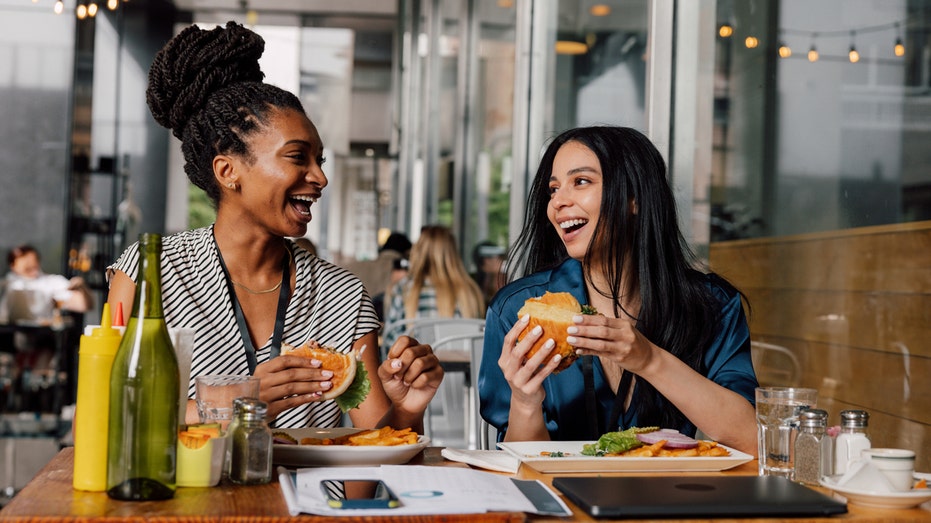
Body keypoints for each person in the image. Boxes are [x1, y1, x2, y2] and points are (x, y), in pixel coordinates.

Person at [107, 22, 443, 432]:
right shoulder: (151, 272)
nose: (319, 177)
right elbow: (113, 418)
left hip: (310, 496)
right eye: (298, 157)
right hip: (187, 495)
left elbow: (375, 448)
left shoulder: (343, 296)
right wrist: (239, 402)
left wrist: (408, 409)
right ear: (228, 171)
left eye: (320, 160)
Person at [478, 126, 758, 455]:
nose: (558, 202)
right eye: (553, 189)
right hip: (561, 502)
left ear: (634, 198)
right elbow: (518, 470)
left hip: (671, 498)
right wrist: (525, 402)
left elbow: (752, 440)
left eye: (580, 181)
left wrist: (648, 359)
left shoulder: (712, 304)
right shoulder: (515, 310)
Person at [383, 225, 485, 347]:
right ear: (453, 253)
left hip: (416, 364)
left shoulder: (403, 289)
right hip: (463, 365)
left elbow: (390, 342)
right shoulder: (471, 292)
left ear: (418, 251)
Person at [2, 244, 93, 320]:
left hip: (41, 335)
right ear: (13, 265)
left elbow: (84, 305)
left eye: (33, 260)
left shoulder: (51, 282)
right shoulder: (6, 282)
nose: (30, 263)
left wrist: (81, 286)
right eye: (24, 260)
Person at [342, 232, 411, 320]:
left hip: (354, 322)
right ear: (407, 253)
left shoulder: (352, 267)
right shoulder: (405, 274)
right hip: (385, 323)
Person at [470, 241, 506, 306]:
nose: (502, 259)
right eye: (499, 256)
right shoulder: (495, 280)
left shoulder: (475, 285)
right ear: (487, 261)